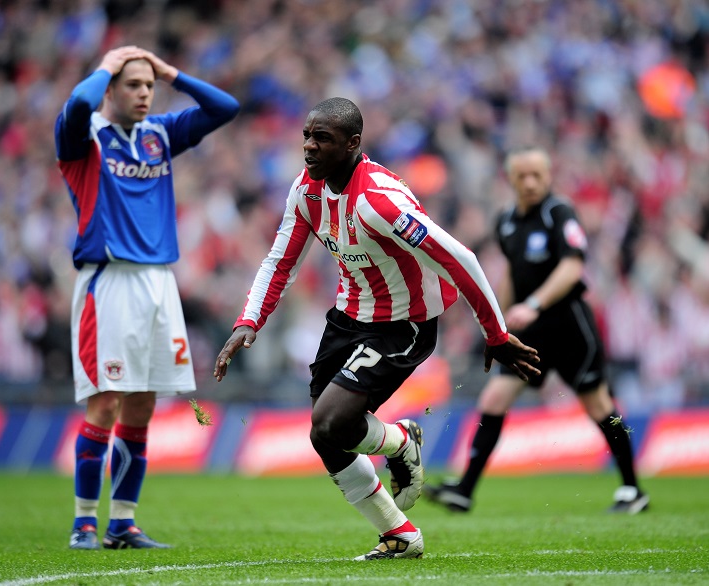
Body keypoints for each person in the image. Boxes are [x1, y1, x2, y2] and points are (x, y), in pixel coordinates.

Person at [213, 97, 540, 560]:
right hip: (348, 317)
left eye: (321, 138)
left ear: (352, 144)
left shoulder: (379, 201)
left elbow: (460, 258)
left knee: (330, 423)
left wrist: (496, 333)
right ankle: (399, 532)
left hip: (403, 324)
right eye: (306, 135)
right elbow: (279, 260)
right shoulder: (305, 190)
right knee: (325, 434)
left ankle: (401, 444)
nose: (308, 146)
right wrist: (248, 321)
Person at [55, 46, 240, 550]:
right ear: (110, 89)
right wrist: (108, 64)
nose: (143, 93)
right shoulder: (84, 138)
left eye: (148, 86)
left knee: (142, 405)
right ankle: (84, 523)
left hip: (159, 283)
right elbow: (77, 106)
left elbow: (226, 108)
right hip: (109, 282)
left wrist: (170, 71)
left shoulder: (160, 134)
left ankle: (123, 522)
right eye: (132, 84)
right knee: (106, 402)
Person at [424, 146, 649, 515]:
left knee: (598, 405)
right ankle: (464, 490)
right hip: (531, 332)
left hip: (569, 327)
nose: (530, 182)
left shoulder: (559, 213)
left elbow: (572, 268)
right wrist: (498, 322)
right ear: (510, 180)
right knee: (493, 400)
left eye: (537, 176)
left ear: (548, 177)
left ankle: (632, 489)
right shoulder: (507, 221)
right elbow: (514, 273)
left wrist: (533, 305)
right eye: (522, 176)